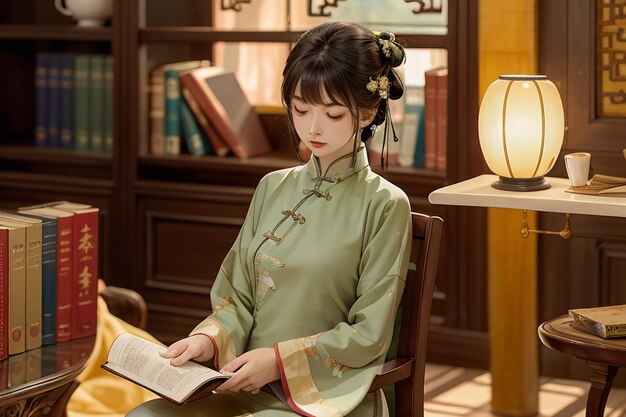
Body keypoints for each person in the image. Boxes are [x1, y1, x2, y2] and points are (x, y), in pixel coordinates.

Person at [127, 20, 411, 417]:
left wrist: (278, 361)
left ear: (366, 113)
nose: (312, 127)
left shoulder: (384, 204)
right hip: (242, 380)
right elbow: (236, 296)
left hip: (326, 395)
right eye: (300, 108)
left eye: (332, 113)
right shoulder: (272, 187)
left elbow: (368, 333)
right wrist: (207, 340)